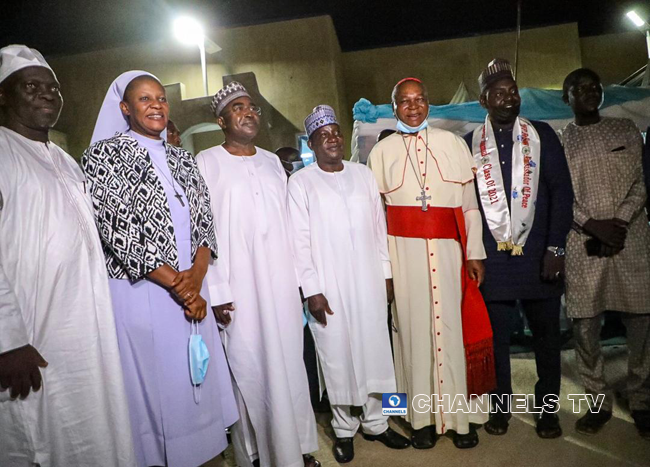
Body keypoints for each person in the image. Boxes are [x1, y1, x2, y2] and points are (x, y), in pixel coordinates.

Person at [82, 71, 238, 467]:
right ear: (125, 109)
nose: (156, 105)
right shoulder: (103, 156)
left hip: (191, 289)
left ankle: (202, 454)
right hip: (141, 291)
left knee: (192, 381)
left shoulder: (181, 156)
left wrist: (197, 279)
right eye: (144, 99)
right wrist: (182, 287)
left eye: (161, 99)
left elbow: (205, 221)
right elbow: (118, 229)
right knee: (156, 385)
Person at [0, 44, 136, 466]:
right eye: (31, 86)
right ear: (3, 95)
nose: (46, 94)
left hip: (84, 331)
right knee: (36, 436)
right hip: (31, 336)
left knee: (94, 428)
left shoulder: (64, 159)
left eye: (52, 87)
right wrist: (7, 339)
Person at [196, 81, 320, 467]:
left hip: (280, 285)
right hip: (237, 288)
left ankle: (295, 449)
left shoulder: (271, 161)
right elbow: (202, 230)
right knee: (249, 370)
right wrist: (215, 289)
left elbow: (288, 224)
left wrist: (301, 282)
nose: (249, 112)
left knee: (288, 367)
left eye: (253, 107)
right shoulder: (205, 161)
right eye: (238, 108)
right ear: (221, 120)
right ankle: (258, 454)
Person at [368, 77, 494, 450]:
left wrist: (474, 253)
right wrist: (385, 270)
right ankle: (419, 419)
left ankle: (462, 418)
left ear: (428, 104)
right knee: (412, 334)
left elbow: (469, 206)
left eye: (419, 99)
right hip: (402, 255)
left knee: (453, 332)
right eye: (404, 101)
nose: (413, 106)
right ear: (394, 108)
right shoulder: (381, 152)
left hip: (449, 252)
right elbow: (376, 219)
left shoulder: (452, 144)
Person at [288, 105, 411, 463]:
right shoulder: (301, 183)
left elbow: (378, 228)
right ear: (312, 143)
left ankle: (379, 421)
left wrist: (387, 274)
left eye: (336, 133)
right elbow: (298, 240)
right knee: (336, 356)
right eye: (323, 135)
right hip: (327, 286)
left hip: (369, 279)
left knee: (377, 353)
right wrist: (310, 288)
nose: (333, 139)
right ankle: (344, 428)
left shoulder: (363, 174)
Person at [463, 59, 573, 439]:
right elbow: (468, 204)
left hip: (540, 255)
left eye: (513, 91)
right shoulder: (470, 144)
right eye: (499, 93)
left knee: (546, 339)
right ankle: (501, 407)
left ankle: (547, 411)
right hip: (494, 262)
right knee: (497, 342)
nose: (509, 98)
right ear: (483, 100)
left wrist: (556, 249)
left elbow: (562, 194)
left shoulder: (542, 134)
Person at [562, 68, 650, 439]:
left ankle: (642, 399)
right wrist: (592, 224)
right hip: (584, 242)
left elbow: (642, 182)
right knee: (585, 324)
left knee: (641, 321)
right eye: (580, 88)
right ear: (566, 97)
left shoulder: (626, 130)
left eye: (595, 86)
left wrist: (620, 222)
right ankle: (598, 398)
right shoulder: (560, 141)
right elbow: (557, 193)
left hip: (631, 239)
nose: (590, 92)